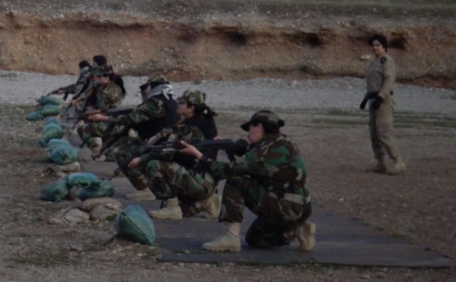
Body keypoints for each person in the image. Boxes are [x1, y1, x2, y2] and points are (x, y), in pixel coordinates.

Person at [179, 110, 315, 253]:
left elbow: (226, 171)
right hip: (300, 208)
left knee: (236, 181)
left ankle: (231, 236)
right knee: (255, 239)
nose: (247, 134)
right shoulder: (285, 142)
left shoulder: (262, 152)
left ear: (259, 127)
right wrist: (230, 149)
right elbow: (252, 164)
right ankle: (297, 229)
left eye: (249, 128)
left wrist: (199, 155)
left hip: (286, 209)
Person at [125, 90, 222, 220]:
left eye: (182, 103)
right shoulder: (204, 122)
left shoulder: (188, 128)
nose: (177, 104)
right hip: (206, 179)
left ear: (191, 108)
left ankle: (172, 207)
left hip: (199, 180)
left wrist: (141, 159)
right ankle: (208, 202)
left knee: (155, 165)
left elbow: (167, 152)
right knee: (185, 211)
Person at [88, 75, 179, 202]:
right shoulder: (170, 101)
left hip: (157, 143)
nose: (145, 91)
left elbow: (130, 118)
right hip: (163, 141)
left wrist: (103, 118)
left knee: (121, 154)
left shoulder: (155, 102)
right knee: (124, 144)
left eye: (147, 87)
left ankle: (144, 189)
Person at [362, 34, 405, 175]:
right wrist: (365, 99)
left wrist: (380, 98)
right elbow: (373, 83)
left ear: (384, 47)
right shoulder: (374, 62)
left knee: (384, 132)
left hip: (383, 101)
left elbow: (388, 81)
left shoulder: (386, 61)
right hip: (373, 100)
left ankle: (398, 161)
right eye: (373, 45)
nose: (375, 47)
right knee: (374, 133)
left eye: (378, 45)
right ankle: (380, 162)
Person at [75, 65, 126, 156]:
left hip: (112, 124)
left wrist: (94, 114)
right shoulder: (108, 87)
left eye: (99, 77)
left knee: (82, 129)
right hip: (111, 121)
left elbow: (106, 111)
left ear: (107, 77)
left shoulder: (109, 91)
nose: (97, 79)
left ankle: (96, 146)